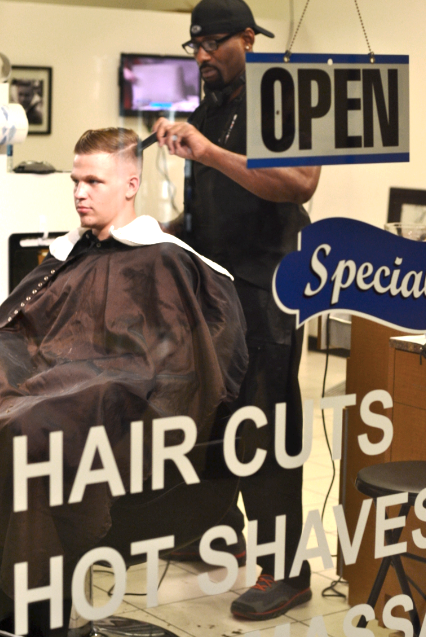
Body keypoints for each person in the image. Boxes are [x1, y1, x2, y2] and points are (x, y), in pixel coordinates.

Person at [0, 127, 248, 636]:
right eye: (75, 181)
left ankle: (34, 614)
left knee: (33, 428)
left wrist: (85, 376)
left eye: (94, 181)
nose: (79, 193)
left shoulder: (165, 259)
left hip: (118, 398)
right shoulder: (72, 253)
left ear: (131, 184)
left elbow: (178, 366)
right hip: (58, 382)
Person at [153, 0, 321, 621]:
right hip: (216, 291)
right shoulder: (210, 108)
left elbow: (300, 181)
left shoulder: (281, 100)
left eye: (212, 44)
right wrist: (161, 230)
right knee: (216, 419)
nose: (201, 56)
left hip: (267, 289)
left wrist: (207, 154)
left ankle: (289, 572)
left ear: (247, 39)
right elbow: (216, 204)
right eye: (193, 45)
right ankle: (216, 527)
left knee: (267, 431)